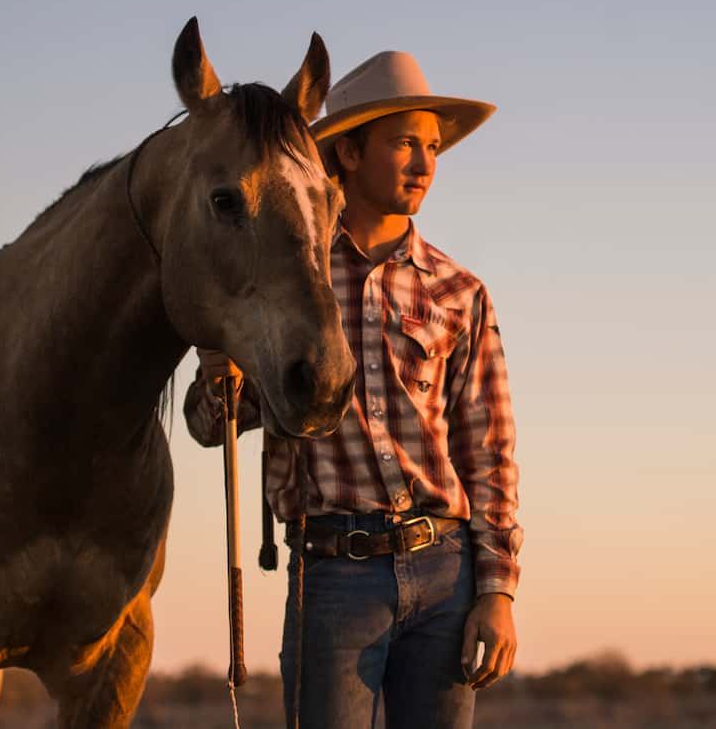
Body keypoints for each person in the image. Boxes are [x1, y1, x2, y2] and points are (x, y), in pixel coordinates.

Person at [184, 49, 522, 729]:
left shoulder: (461, 293)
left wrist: (498, 593)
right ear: (347, 155)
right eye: (404, 144)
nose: (425, 164)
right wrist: (227, 377)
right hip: (333, 573)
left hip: (446, 570)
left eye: (432, 147)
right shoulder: (286, 276)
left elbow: (489, 454)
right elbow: (204, 421)